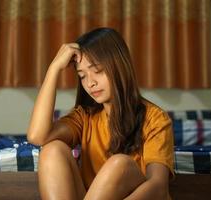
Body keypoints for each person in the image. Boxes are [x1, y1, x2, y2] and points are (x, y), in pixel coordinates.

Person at [27, 27, 174, 200]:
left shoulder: (155, 118)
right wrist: (54, 69)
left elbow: (158, 187)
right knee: (52, 149)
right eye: (82, 76)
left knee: (119, 164)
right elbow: (38, 136)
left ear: (119, 66)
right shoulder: (84, 116)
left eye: (97, 71)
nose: (90, 83)